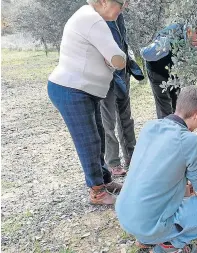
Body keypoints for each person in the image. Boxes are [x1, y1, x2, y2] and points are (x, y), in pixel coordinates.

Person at [116, 86, 197, 252]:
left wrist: (183, 188)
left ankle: (145, 238)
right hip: (151, 224)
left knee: (183, 195)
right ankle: (170, 245)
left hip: (125, 214)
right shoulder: (190, 141)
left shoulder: (150, 127)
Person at [47, 0, 128, 205]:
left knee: (97, 136)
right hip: (72, 90)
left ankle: (104, 180)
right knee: (88, 141)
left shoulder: (91, 17)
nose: (123, 7)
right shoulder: (92, 20)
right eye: (122, 2)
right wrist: (117, 59)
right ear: (103, 1)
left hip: (82, 90)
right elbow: (118, 58)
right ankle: (97, 193)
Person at [100, 12, 142, 177]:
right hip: (107, 76)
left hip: (122, 73)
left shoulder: (119, 16)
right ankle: (113, 162)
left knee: (126, 118)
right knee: (108, 122)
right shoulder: (98, 15)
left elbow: (122, 43)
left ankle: (132, 156)